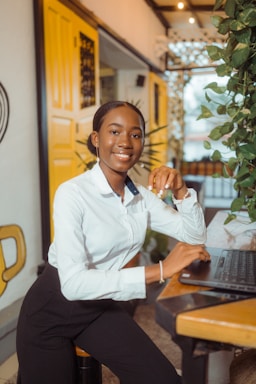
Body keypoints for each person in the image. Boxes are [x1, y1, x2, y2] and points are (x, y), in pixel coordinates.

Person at [16, 101, 210, 384]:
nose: (126, 142)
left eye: (135, 134)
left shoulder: (141, 198)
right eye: (115, 131)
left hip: (97, 307)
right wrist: (160, 270)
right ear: (97, 139)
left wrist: (181, 191)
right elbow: (72, 285)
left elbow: (194, 237)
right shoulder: (72, 194)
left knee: (163, 379)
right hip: (51, 311)